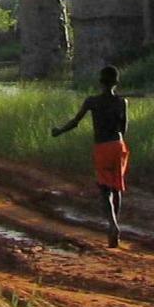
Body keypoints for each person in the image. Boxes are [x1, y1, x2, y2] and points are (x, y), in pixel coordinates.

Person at [51, 64, 128, 247]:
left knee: (104, 189)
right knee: (117, 188)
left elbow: (75, 122)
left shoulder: (92, 102)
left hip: (102, 147)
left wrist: (59, 131)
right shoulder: (122, 102)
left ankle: (112, 225)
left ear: (100, 82)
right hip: (118, 146)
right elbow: (124, 129)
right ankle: (114, 229)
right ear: (116, 82)